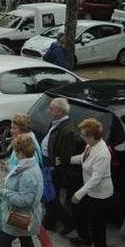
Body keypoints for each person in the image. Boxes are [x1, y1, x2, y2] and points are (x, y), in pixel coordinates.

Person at [7, 114, 54, 247]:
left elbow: (25, 165)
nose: (11, 130)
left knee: (25, 221)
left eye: (14, 128)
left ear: (22, 129)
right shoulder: (27, 139)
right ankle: (46, 243)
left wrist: (10, 171)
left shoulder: (25, 145)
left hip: (24, 190)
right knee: (26, 225)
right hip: (24, 189)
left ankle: (46, 243)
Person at [67, 118, 113, 246]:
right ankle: (85, 239)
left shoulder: (102, 153)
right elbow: (83, 158)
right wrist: (67, 160)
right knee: (86, 218)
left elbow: (96, 178)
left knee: (96, 225)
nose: (80, 137)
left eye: (83, 135)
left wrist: (79, 194)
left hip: (100, 195)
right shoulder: (91, 145)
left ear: (91, 136)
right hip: (91, 191)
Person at [41, 97, 81, 236]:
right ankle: (50, 222)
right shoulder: (56, 123)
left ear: (60, 111)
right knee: (50, 196)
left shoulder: (67, 130)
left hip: (54, 168)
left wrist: (57, 165)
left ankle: (68, 222)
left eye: (52, 108)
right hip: (48, 162)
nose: (49, 110)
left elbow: (65, 155)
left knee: (51, 197)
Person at [0, 133, 45, 247]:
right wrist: (9, 169)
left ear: (20, 152)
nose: (14, 153)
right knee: (25, 238)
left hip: (20, 216)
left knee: (4, 240)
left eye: (15, 150)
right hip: (27, 216)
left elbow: (24, 200)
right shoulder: (31, 164)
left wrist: (5, 192)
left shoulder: (28, 174)